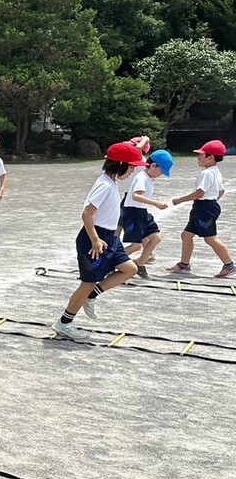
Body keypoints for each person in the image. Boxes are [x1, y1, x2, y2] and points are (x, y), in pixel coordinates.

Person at [51, 143, 144, 341]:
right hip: (95, 238)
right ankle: (64, 323)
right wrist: (95, 239)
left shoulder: (111, 182)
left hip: (110, 238)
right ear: (119, 165)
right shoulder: (104, 184)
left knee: (130, 269)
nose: (133, 171)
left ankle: (92, 295)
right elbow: (87, 214)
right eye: (131, 166)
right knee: (87, 282)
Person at [167, 140, 236, 278]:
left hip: (204, 208)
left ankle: (229, 265)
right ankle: (184, 265)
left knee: (210, 238)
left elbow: (200, 193)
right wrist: (212, 202)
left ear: (210, 157)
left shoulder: (207, 173)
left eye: (201, 155)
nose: (198, 157)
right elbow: (221, 191)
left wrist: (179, 200)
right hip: (204, 207)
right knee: (186, 235)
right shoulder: (214, 171)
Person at [121, 148, 172, 278]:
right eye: (161, 171)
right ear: (154, 166)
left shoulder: (148, 177)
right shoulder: (141, 177)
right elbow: (136, 196)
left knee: (156, 238)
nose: (160, 175)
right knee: (136, 246)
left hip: (142, 212)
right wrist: (155, 203)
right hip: (133, 213)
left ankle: (140, 264)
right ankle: (111, 261)